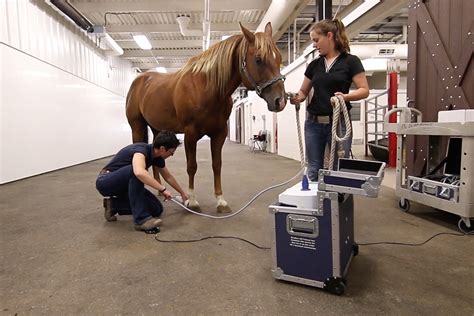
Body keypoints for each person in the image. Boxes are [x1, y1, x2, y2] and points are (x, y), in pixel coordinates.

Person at [290, 18, 369, 181]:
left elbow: (364, 90)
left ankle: (335, 205)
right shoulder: (314, 65)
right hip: (313, 124)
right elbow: (304, 91)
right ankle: (315, 205)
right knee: (313, 169)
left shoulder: (350, 62)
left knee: (338, 169)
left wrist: (345, 97)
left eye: (316, 40)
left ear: (330, 36)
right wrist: (296, 98)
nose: (314, 45)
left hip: (338, 122)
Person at [95, 131, 189, 232]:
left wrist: (182, 193)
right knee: (136, 171)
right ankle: (141, 220)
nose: (171, 155)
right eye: (171, 152)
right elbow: (139, 172)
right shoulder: (140, 150)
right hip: (106, 182)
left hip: (125, 186)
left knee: (156, 209)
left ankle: (113, 205)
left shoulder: (157, 157)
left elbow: (168, 177)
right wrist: (162, 189)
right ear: (162, 149)